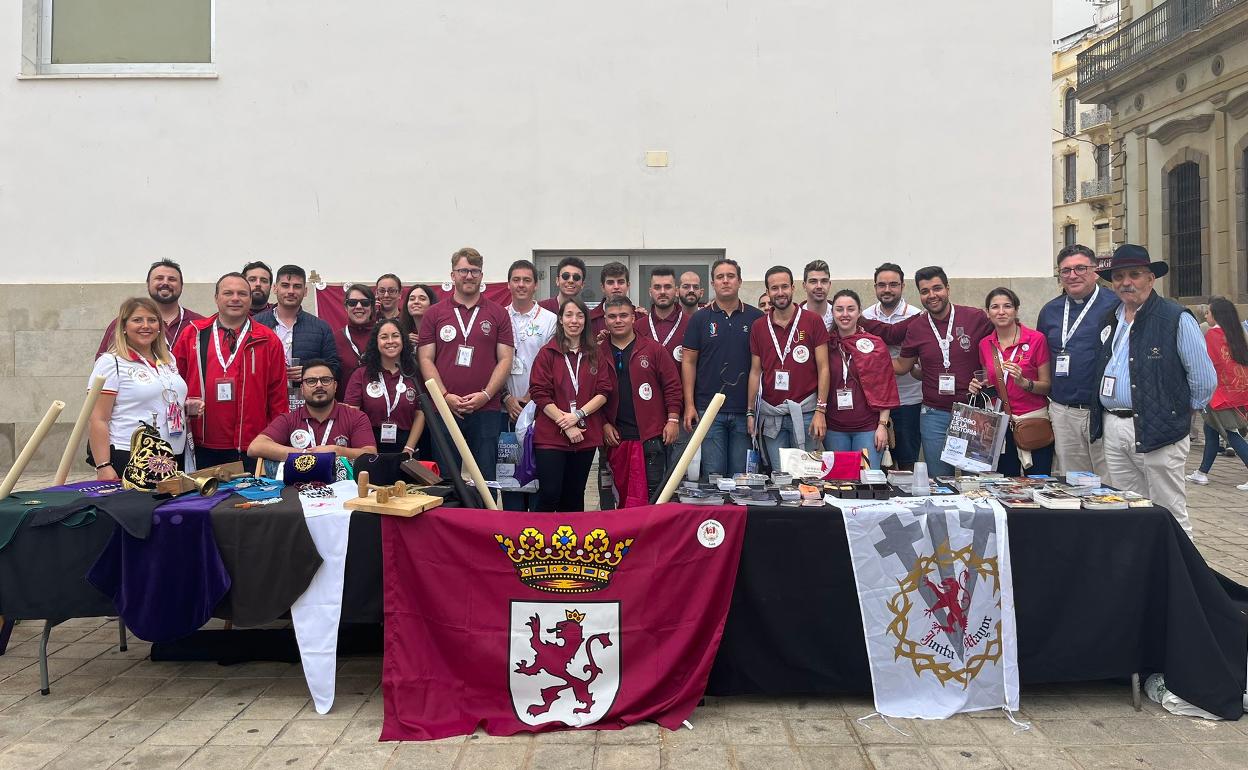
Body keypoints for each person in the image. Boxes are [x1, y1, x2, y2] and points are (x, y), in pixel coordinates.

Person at [1091, 244, 1216, 538]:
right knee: (1127, 505)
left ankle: (1179, 578)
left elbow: (1203, 378)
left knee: (1168, 509)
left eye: (1134, 274)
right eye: (1119, 276)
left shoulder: (1174, 317)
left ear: (1151, 278)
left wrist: (1178, 413)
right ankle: (1141, 573)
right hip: (1114, 425)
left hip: (1159, 428)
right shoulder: (1112, 317)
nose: (1125, 282)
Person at [862, 266, 994, 478]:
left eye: (937, 288)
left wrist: (988, 376)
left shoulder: (974, 317)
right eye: (925, 291)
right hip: (934, 414)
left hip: (973, 412)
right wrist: (867, 357)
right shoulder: (916, 326)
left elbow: (997, 345)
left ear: (948, 289)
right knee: (940, 480)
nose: (932, 295)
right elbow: (903, 366)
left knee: (975, 481)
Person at [417, 247, 515, 481]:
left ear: (482, 276)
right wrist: (444, 396)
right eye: (463, 271)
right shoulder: (434, 313)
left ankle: (486, 518)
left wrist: (486, 394)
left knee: (486, 477)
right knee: (447, 477)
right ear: (452, 275)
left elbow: (505, 359)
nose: (469, 276)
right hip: (445, 408)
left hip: (486, 408)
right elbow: (425, 359)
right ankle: (452, 517)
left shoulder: (498, 313)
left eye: (474, 271)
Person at [172, 273, 288, 468]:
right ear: (216, 298)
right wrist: (184, 406)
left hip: (250, 446)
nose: (235, 298)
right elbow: (172, 384)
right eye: (228, 293)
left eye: (242, 294)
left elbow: (278, 397)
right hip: (199, 445)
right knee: (201, 498)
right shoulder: (193, 334)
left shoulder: (268, 340)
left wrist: (273, 440)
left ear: (250, 299)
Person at [1035, 244, 1118, 477]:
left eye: (1080, 268)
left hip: (1102, 412)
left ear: (1095, 271)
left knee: (1108, 481)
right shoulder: (1050, 311)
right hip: (1063, 410)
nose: (1072, 275)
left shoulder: (1115, 306)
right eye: (1065, 271)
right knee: (1073, 481)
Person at [88, 298, 190, 479]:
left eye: (152, 320)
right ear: (123, 326)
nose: (146, 325)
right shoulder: (111, 362)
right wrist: (103, 465)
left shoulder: (168, 361)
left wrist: (187, 406)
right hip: (132, 454)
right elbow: (98, 418)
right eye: (137, 320)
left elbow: (160, 399)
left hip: (173, 453)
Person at [528, 298, 614, 512]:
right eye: (569, 315)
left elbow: (604, 391)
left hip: (584, 435)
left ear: (586, 321)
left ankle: (570, 545)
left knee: (575, 496)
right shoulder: (547, 353)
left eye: (579, 315)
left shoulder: (595, 354)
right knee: (550, 493)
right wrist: (565, 423)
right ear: (560, 319)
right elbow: (539, 393)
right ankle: (541, 543)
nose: (574, 320)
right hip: (550, 436)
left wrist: (578, 415)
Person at [683, 258, 764, 479]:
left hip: (743, 412)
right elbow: (688, 362)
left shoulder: (756, 318)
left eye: (730, 276)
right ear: (712, 283)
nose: (725, 281)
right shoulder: (699, 319)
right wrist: (689, 405)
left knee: (742, 478)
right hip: (708, 411)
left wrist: (754, 410)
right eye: (720, 277)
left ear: (739, 281)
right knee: (713, 475)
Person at [747, 266, 829, 472]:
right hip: (772, 414)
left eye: (785, 286)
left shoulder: (812, 321)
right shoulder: (758, 326)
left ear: (793, 288)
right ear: (767, 292)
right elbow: (755, 372)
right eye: (774, 288)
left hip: (807, 413)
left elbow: (824, 368)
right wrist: (750, 412)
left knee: (809, 477)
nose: (780, 292)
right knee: (781, 477)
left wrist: (821, 410)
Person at [601, 297, 682, 507]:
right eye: (612, 316)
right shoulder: (597, 353)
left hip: (650, 437)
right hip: (614, 439)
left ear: (633, 318)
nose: (618, 320)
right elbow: (590, 394)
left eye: (623, 315)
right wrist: (603, 424)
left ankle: (650, 539)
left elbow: (672, 386)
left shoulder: (653, 349)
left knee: (653, 497)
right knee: (613, 501)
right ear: (605, 320)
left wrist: (673, 419)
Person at [969, 288, 1054, 476]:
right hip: (1000, 424)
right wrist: (977, 387)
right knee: (1005, 484)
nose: (1001, 311)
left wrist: (1025, 383)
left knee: (1039, 482)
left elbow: (1047, 386)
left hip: (1032, 421)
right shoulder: (985, 344)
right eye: (995, 307)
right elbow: (989, 384)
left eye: (1007, 306)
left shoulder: (1036, 339)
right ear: (987, 313)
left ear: (1016, 310)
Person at [248, 359, 377, 462]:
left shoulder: (356, 417)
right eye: (311, 381)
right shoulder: (289, 419)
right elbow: (255, 447)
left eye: (325, 380)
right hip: (297, 488)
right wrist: (304, 454)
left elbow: (370, 454)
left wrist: (337, 451)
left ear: (335, 386)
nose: (319, 385)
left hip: (344, 488)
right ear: (302, 389)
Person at [826, 290, 898, 469]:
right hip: (834, 429)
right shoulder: (826, 345)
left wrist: (882, 425)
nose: (845, 314)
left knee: (868, 482)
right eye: (839, 309)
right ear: (832, 313)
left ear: (859, 312)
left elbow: (885, 385)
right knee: (839, 483)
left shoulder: (874, 344)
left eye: (850, 309)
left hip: (868, 428)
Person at [861, 263, 922, 470]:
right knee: (877, 465)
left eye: (893, 284)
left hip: (908, 400)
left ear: (903, 286)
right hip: (874, 403)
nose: (887, 290)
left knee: (907, 462)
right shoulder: (865, 317)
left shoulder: (917, 315)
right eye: (882, 285)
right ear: (875, 287)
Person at [255, 265, 340, 410]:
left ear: (305, 291)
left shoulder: (321, 328)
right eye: (285, 285)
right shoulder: (256, 325)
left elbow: (334, 367)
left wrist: (309, 373)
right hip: (264, 402)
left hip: (306, 406)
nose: (291, 291)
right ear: (275, 288)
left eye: (297, 286)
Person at [1187, 297, 1248, 487]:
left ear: (1217, 315)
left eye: (1209, 312)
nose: (1206, 316)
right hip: (1237, 391)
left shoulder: (1212, 335)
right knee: (1211, 429)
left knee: (1230, 433)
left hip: (1218, 394)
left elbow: (1206, 364)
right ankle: (1202, 472)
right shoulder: (1237, 334)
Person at [344, 319, 423, 455]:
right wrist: (365, 448)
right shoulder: (361, 374)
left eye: (395, 336)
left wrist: (409, 449)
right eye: (384, 337)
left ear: (403, 340)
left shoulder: (414, 373)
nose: (390, 341)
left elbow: (420, 413)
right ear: (376, 342)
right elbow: (352, 414)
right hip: (368, 444)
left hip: (406, 444)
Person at [96, 259, 203, 356]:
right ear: (148, 284)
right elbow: (102, 367)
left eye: (172, 279)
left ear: (181, 286)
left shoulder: (200, 324)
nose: (165, 283)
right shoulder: (124, 323)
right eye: (159, 278)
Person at [332, 284, 376, 390]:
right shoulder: (335, 338)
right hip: (345, 403)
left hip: (380, 403)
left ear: (372, 306)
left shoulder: (382, 336)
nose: (359, 306)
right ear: (346, 307)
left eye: (365, 303)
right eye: (352, 303)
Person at [589, 261, 640, 338]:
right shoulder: (590, 320)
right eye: (610, 282)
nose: (616, 286)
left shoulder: (640, 317)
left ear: (628, 286)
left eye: (620, 282)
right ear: (602, 287)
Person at [799, 259, 835, 331]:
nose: (819, 286)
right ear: (804, 285)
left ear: (829, 284)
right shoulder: (795, 317)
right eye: (813, 281)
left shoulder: (840, 316)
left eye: (824, 281)